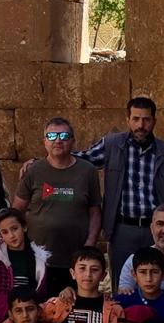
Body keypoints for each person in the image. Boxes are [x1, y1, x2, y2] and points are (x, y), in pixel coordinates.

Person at [77, 97, 164, 285]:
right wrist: (42, 161)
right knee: (123, 284)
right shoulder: (112, 145)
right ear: (128, 120)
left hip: (158, 230)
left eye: (146, 120)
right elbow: (81, 160)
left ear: (154, 121)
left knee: (159, 283)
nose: (140, 125)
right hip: (122, 229)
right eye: (135, 119)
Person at [13, 118, 101, 294]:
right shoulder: (33, 171)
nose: (58, 140)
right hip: (38, 259)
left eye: (64, 135)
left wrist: (90, 244)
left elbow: (95, 212)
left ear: (73, 141)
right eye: (52, 135)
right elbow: (16, 212)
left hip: (75, 261)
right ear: (44, 141)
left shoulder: (88, 171)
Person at [0, 208, 51, 323]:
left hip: (28, 316)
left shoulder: (38, 259)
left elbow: (41, 293)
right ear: (0, 235)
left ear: (24, 227)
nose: (11, 235)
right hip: (1, 318)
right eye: (5, 232)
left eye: (14, 229)